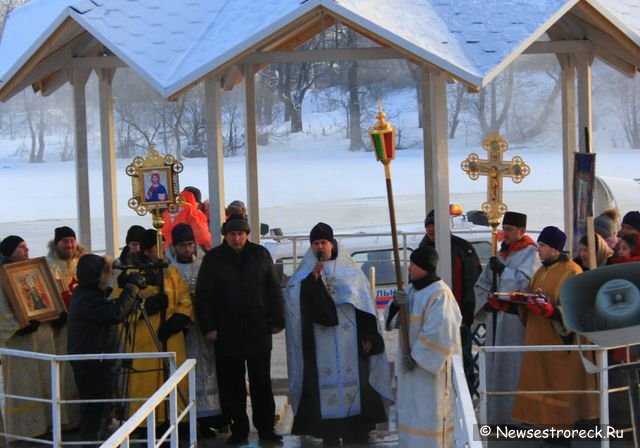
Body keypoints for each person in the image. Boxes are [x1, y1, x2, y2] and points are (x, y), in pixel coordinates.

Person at [284, 222, 392, 446]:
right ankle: (328, 432)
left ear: (332, 244)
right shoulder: (304, 273)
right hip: (318, 342)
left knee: (357, 384)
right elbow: (295, 304)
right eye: (315, 243)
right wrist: (311, 282)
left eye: (323, 242)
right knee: (321, 389)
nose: (319, 247)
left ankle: (357, 429)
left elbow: (365, 307)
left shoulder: (351, 271)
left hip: (349, 343)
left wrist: (369, 336)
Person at [195, 215, 285, 445]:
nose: (237, 239)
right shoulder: (213, 259)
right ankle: (239, 429)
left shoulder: (260, 254)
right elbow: (203, 297)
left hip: (258, 329)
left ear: (247, 234)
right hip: (227, 331)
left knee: (261, 383)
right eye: (233, 234)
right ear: (226, 235)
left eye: (241, 234)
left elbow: (274, 289)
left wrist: (278, 319)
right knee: (231, 385)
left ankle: (266, 429)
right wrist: (209, 327)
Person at [511, 226, 598, 427]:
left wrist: (553, 311)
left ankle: (561, 430)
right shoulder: (541, 270)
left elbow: (577, 306)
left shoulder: (571, 271)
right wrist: (514, 304)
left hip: (559, 341)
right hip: (537, 337)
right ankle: (542, 426)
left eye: (542, 246)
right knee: (539, 383)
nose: (538, 250)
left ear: (555, 249)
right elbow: (531, 300)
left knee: (559, 385)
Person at [386, 246, 461, 448]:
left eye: (413, 265)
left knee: (429, 414)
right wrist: (395, 305)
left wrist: (417, 357)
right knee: (411, 411)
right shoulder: (410, 290)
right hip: (410, 370)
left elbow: (440, 332)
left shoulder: (441, 294)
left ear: (424, 267)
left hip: (430, 372)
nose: (409, 268)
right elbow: (392, 322)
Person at [117, 229, 193, 424]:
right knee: (146, 383)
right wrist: (148, 306)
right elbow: (119, 309)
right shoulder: (130, 274)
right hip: (144, 339)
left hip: (171, 336)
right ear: (146, 250)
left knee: (174, 380)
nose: (161, 251)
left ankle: (177, 420)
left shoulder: (171, 271)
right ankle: (145, 424)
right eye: (156, 248)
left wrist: (179, 318)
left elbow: (185, 297)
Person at [473, 211, 540, 425]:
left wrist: (503, 272)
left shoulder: (531, 253)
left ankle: (516, 417)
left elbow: (524, 283)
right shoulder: (501, 253)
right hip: (497, 317)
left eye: (510, 230)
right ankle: (496, 414)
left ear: (522, 231)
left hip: (514, 320)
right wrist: (487, 299)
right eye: (505, 229)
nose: (506, 233)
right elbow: (482, 283)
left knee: (513, 366)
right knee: (495, 365)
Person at [67, 254, 141, 444]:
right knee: (95, 414)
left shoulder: (84, 294)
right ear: (97, 276)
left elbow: (108, 306)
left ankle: (102, 442)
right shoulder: (87, 299)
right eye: (106, 273)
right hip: (93, 366)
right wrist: (132, 289)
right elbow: (114, 313)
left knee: (102, 413)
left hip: (97, 362)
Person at [165, 223, 225, 438]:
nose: (187, 249)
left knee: (208, 373)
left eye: (190, 244)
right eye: (182, 245)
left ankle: (210, 419)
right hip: (181, 332)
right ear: (175, 246)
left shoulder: (204, 264)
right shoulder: (167, 268)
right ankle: (187, 420)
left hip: (203, 329)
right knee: (183, 373)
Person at [419, 209, 481, 390]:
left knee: (462, 361)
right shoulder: (422, 250)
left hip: (459, 318)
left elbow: (473, 282)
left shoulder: (463, 249)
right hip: (430, 321)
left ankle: (465, 400)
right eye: (428, 226)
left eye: (434, 225)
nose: (430, 230)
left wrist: (467, 314)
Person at [0, 235, 55, 440]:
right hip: (18, 342)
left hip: (40, 336)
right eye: (22, 247)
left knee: (43, 380)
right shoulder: (2, 274)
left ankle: (46, 425)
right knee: (23, 384)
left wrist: (52, 314)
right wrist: (19, 326)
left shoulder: (32, 271)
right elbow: (2, 311)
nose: (27, 249)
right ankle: (23, 431)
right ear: (10, 250)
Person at [47, 225, 85, 430]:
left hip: (83, 327)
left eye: (72, 240)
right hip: (60, 330)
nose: (69, 245)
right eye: (65, 241)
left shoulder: (84, 263)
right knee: (62, 373)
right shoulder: (47, 266)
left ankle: (81, 417)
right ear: (56, 243)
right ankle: (63, 420)